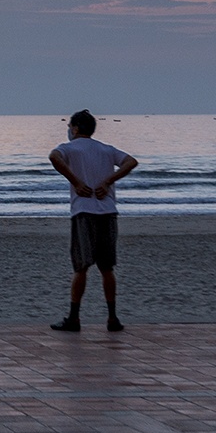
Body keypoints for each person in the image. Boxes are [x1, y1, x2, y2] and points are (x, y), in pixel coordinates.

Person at [48, 110, 138, 333]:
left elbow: (54, 157)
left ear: (76, 128)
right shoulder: (105, 149)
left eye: (70, 126)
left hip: (84, 212)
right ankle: (112, 318)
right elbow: (130, 161)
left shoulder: (69, 148)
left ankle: (74, 318)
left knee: (81, 267)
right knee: (107, 268)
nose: (69, 130)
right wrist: (109, 181)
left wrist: (76, 181)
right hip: (107, 212)